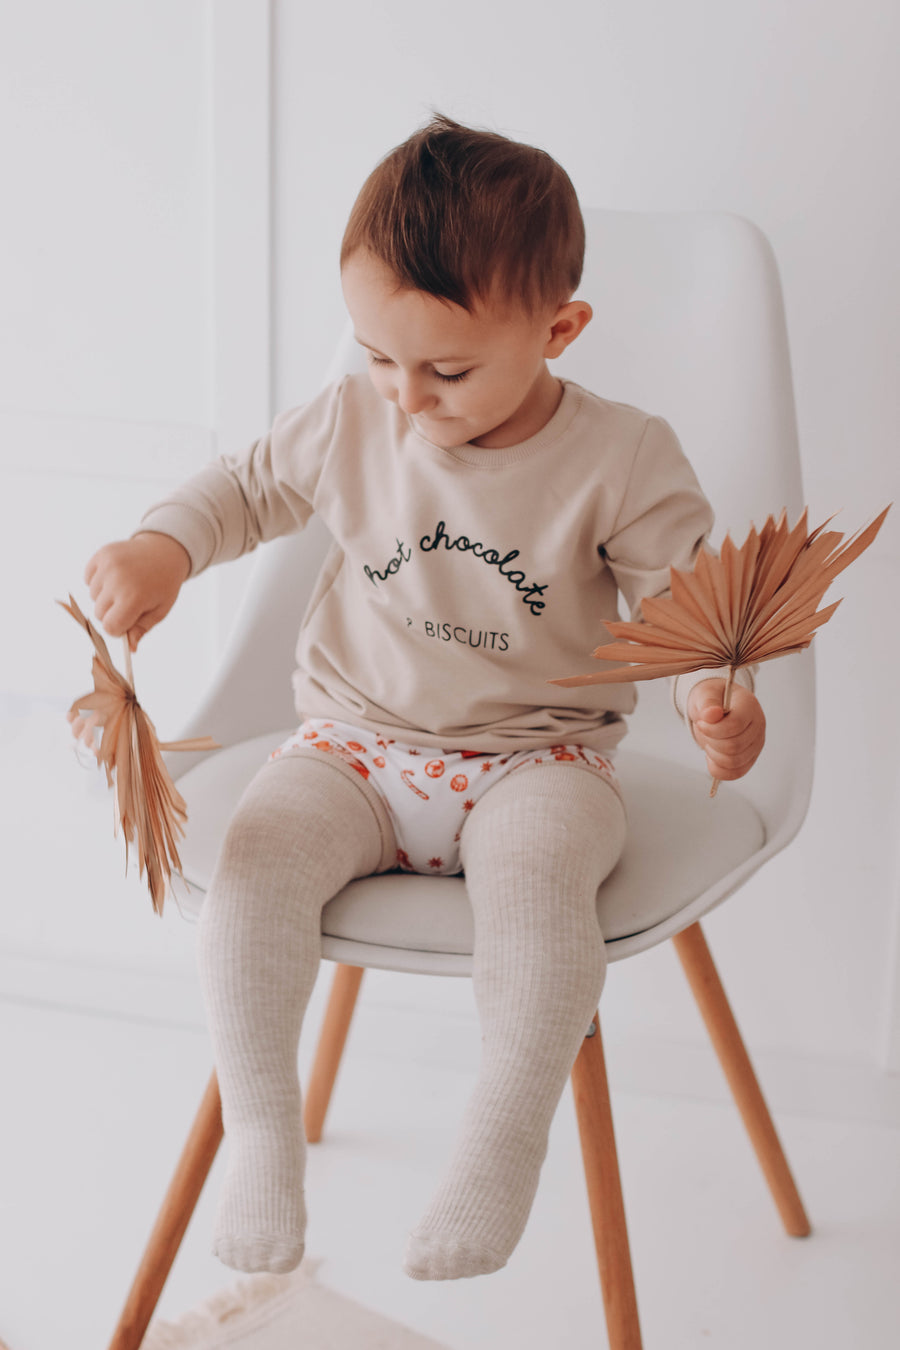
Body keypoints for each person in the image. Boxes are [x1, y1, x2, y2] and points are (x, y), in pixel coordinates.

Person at [73, 115, 766, 1282]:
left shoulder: (624, 456)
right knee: (251, 878)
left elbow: (692, 600)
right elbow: (243, 489)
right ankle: (263, 1134)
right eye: (378, 356)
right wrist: (163, 550)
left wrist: (718, 693)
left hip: (540, 760)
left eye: (446, 370)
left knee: (542, 904)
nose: (407, 395)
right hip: (353, 744)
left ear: (559, 329)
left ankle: (500, 1141)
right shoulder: (359, 415)